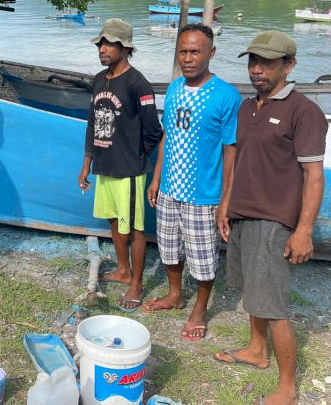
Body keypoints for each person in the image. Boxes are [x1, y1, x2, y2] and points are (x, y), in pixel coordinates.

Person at [215, 31, 327, 405]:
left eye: (266, 62)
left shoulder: (304, 111)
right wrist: (226, 205)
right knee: (252, 293)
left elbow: (313, 175)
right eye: (252, 61)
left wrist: (304, 230)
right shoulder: (249, 107)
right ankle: (256, 350)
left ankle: (287, 387)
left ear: (289, 65)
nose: (257, 69)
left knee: (273, 305)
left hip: (273, 221)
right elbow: (239, 162)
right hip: (243, 215)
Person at [145, 23, 241, 341]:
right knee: (169, 250)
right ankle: (175, 295)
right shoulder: (173, 89)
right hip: (171, 189)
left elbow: (231, 152)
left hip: (204, 195)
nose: (188, 58)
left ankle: (199, 309)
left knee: (203, 259)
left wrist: (225, 199)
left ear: (211, 53)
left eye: (195, 51)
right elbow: (168, 137)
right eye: (183, 51)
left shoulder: (227, 96)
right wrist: (157, 178)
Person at [78, 18, 162, 311]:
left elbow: (154, 130)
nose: (103, 48)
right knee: (114, 219)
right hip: (104, 165)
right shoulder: (100, 79)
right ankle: (123, 270)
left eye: (110, 43)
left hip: (129, 170)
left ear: (125, 48)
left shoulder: (138, 83)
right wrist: (87, 163)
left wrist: (137, 154)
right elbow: (92, 123)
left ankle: (137, 283)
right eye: (101, 43)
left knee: (135, 228)